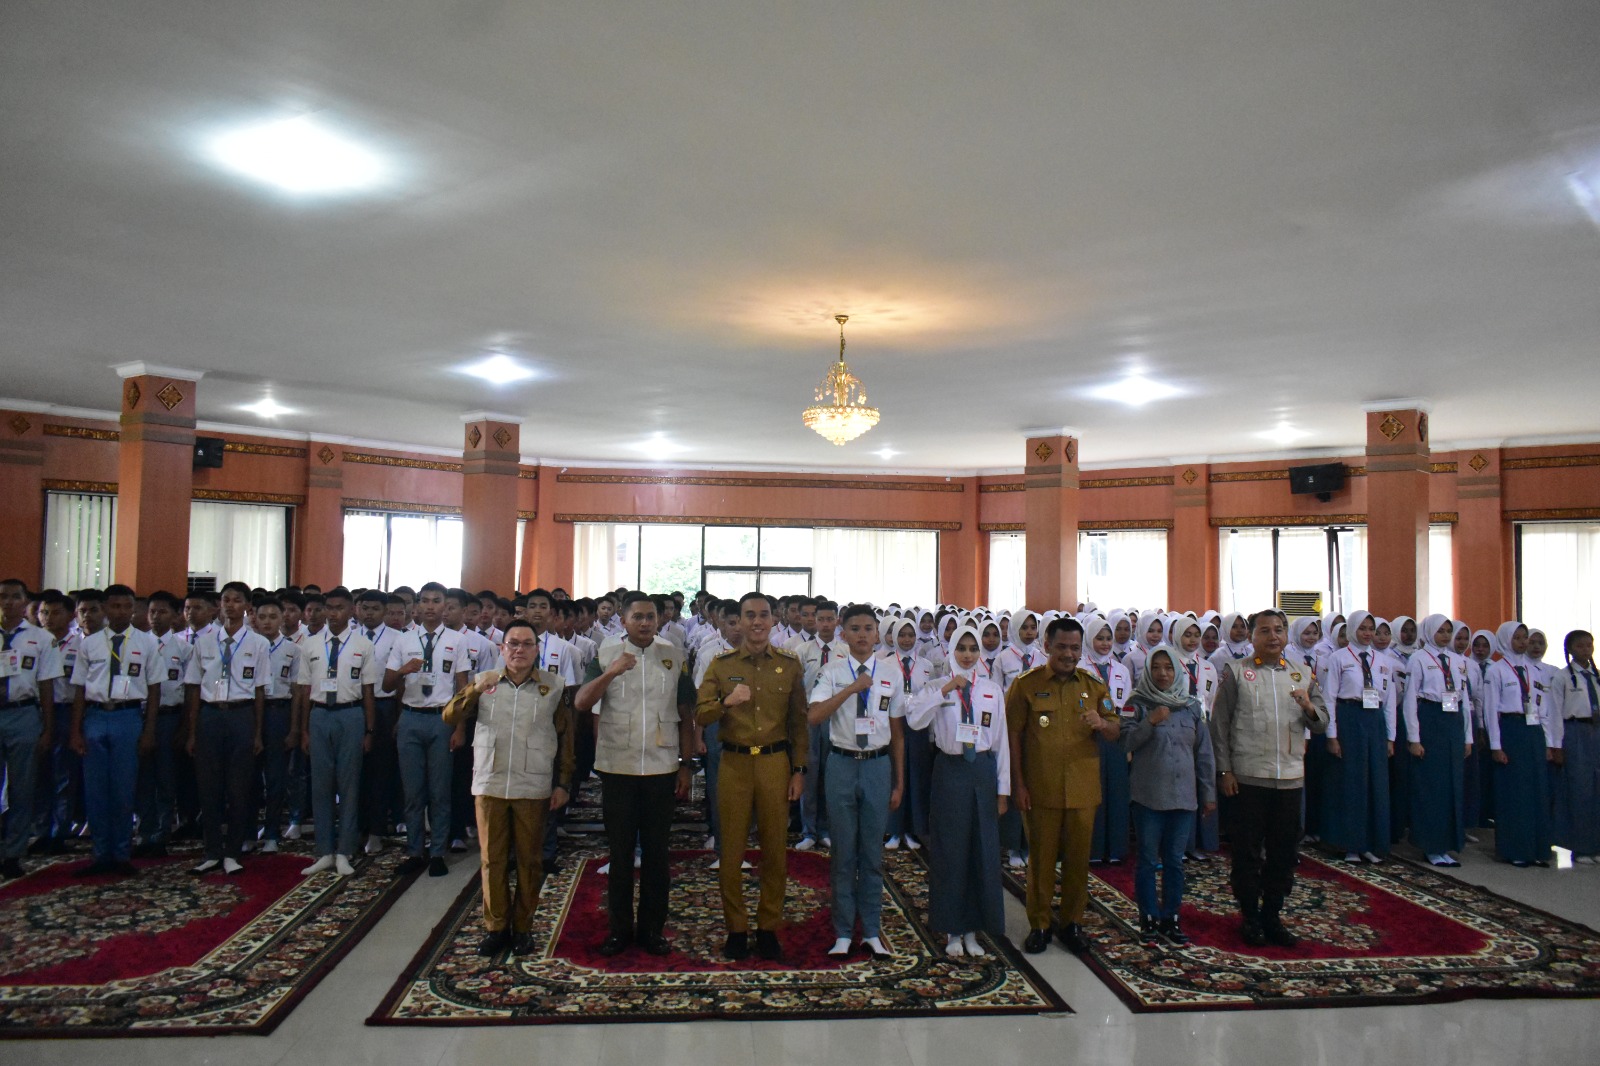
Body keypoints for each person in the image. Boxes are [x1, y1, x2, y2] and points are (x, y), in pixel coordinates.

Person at [573, 592, 695, 957]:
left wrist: (686, 764)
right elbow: (581, 702)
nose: (644, 623)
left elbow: (685, 712)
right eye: (637, 617)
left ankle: (652, 930)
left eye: (650, 617)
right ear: (624, 621)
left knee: (657, 854)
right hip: (618, 766)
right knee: (621, 853)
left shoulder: (673, 655)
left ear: (658, 620)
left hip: (661, 766)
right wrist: (611, 672)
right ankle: (619, 930)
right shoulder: (606, 652)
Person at [441, 620, 571, 956]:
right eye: (513, 643)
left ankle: (523, 928)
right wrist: (474, 690)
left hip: (533, 783)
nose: (519, 650)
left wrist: (563, 783)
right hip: (490, 782)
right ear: (502, 648)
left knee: (529, 861)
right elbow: (450, 716)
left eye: (527, 644)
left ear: (537, 650)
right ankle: (496, 927)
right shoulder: (485, 681)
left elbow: (566, 738)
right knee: (492, 860)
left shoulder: (553, 686)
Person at [695, 591, 809, 962]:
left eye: (763, 615)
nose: (757, 622)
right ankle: (737, 929)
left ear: (773, 619)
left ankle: (768, 928)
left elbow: (799, 723)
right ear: (739, 621)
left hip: (775, 763)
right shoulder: (721, 664)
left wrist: (799, 770)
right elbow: (701, 714)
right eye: (749, 615)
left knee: (775, 849)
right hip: (735, 764)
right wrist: (726, 702)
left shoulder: (789, 665)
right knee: (731, 851)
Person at [1210, 610, 1328, 947]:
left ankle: (1272, 915)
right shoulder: (1236, 671)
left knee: (1283, 853)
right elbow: (1219, 724)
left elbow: (1321, 722)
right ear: (1252, 637)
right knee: (1247, 852)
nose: (1273, 636)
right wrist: (1225, 770)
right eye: (1264, 630)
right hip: (1249, 778)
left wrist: (1308, 707)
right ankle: (1250, 916)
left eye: (1278, 630)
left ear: (1286, 635)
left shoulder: (1301, 673)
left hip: (1289, 779)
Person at [1006, 616, 1119, 955]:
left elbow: (1115, 730)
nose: (1069, 654)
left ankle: (1072, 923)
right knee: (1040, 861)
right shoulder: (1025, 685)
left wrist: (1102, 724)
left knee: (1078, 862)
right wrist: (1018, 784)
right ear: (1047, 646)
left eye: (1074, 648)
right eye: (1062, 647)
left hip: (1083, 790)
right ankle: (1039, 924)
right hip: (1042, 788)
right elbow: (1013, 737)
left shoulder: (1094, 685)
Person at [807, 604, 906, 958]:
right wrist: (851, 689)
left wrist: (899, 782)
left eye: (868, 628)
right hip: (842, 764)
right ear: (843, 633)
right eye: (855, 629)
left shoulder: (892, 673)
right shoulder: (832, 672)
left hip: (877, 765)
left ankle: (873, 931)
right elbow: (815, 716)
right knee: (843, 853)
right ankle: (844, 932)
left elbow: (897, 734)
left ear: (877, 634)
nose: (862, 635)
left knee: (872, 854)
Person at [907, 623, 1007, 958]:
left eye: (973, 648)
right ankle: (952, 929)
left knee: (981, 851)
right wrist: (945, 689)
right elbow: (915, 720)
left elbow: (1001, 743)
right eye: (961, 648)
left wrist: (1003, 791)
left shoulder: (991, 690)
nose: (967, 654)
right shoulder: (936, 685)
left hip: (982, 771)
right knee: (951, 851)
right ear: (951, 651)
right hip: (950, 772)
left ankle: (973, 929)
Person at [1122, 645, 1215, 947]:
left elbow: (1204, 753)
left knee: (1175, 861)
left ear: (1178, 671)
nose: (1163, 673)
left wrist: (1208, 793)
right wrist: (1149, 722)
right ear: (1148, 671)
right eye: (1156, 667)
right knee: (1148, 860)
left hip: (1183, 797)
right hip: (1148, 797)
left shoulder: (1191, 706)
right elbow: (1125, 742)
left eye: (1169, 667)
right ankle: (1148, 917)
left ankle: (1171, 917)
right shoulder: (1136, 704)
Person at [384, 582, 471, 877]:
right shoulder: (404, 639)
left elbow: (463, 688)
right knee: (412, 792)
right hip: (410, 717)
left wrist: (460, 728)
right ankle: (414, 851)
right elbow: (387, 684)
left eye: (437, 601)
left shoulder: (457, 641)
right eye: (425, 601)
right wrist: (402, 671)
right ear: (417, 606)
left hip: (442, 719)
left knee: (440, 790)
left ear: (445, 605)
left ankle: (437, 853)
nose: (431, 606)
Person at [184, 582, 268, 876]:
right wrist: (192, 731)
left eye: (236, 600)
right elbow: (194, 687)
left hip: (241, 714)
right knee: (208, 787)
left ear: (247, 606)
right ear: (219, 605)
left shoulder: (258, 644)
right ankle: (212, 851)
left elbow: (260, 690)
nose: (230, 605)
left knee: (238, 787)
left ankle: (233, 851)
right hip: (210, 715)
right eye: (225, 600)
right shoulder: (205, 642)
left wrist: (257, 732)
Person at [296, 587, 378, 877]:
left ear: (352, 610)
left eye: (339, 608)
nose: (332, 613)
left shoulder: (362, 645)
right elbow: (304, 690)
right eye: (328, 608)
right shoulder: (311, 645)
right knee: (321, 786)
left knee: (349, 785)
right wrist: (304, 730)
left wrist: (369, 730)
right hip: (319, 715)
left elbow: (368, 691)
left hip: (350, 714)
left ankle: (345, 850)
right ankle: (325, 850)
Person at [1321, 610, 1395, 863]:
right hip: (1349, 719)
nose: (1367, 633)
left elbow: (1389, 701)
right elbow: (1329, 698)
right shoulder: (1339, 658)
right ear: (1352, 629)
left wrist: (1390, 737)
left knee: (1375, 783)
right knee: (1352, 782)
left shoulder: (1383, 660)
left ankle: (1372, 843)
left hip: (1374, 721)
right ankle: (1350, 844)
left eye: (1371, 629)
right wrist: (1332, 735)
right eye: (1362, 628)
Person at [0, 578, 60, 879]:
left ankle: (13, 853)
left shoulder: (41, 638)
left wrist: (47, 728)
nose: (9, 602)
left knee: (22, 787)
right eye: (3, 597)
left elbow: (46, 686)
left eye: (15, 597)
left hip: (23, 713)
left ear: (26, 602)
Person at [1402, 614, 1473, 866]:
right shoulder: (1419, 659)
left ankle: (1447, 843)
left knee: (1452, 785)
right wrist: (1414, 738)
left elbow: (1464, 699)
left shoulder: (1458, 660)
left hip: (1453, 722)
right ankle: (1431, 845)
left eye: (1448, 631)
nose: (1445, 636)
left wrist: (1467, 737)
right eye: (1440, 631)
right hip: (1430, 719)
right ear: (1430, 631)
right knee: (1432, 786)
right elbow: (1410, 699)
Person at [1484, 620, 1556, 867]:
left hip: (1533, 731)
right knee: (1516, 793)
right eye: (1517, 638)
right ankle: (1515, 849)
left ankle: (1537, 849)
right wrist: (1496, 745)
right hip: (1511, 730)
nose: (1523, 642)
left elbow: (1542, 707)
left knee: (1537, 791)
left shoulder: (1534, 670)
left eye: (1525, 637)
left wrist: (1547, 742)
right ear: (1506, 640)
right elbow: (1490, 710)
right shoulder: (1497, 671)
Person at [134, 590, 191, 858]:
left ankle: (162, 831)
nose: (156, 617)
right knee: (143, 777)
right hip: (140, 715)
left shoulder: (184, 648)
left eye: (163, 612)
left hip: (170, 716)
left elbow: (190, 691)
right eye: (152, 612)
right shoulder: (137, 643)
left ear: (176, 616)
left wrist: (185, 726)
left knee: (166, 777)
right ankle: (144, 830)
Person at [1550, 630, 1599, 864]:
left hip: (1596, 733)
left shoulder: (1596, 676)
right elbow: (1555, 713)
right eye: (1580, 646)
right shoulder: (1563, 677)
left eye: (1589, 645)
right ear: (1570, 649)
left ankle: (1596, 845)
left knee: (1596, 791)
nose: (1586, 650)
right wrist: (1557, 745)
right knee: (1581, 791)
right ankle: (1581, 848)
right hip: (1575, 732)